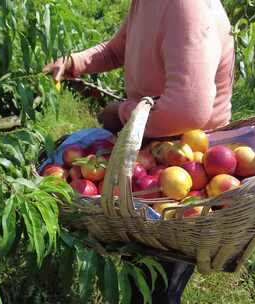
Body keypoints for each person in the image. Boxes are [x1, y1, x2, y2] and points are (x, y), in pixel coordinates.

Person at [43, 0, 235, 303]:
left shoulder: (186, 6)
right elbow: (118, 49)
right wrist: (72, 63)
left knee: (158, 276)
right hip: (150, 144)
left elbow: (188, 109)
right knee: (141, 262)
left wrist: (120, 113)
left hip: (187, 158)